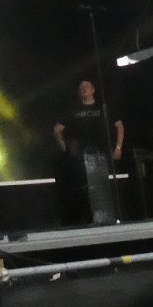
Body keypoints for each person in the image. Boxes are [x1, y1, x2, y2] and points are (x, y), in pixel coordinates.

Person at [52, 78, 122, 223]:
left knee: (104, 186)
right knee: (84, 187)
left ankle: (108, 217)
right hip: (81, 155)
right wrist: (63, 144)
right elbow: (57, 129)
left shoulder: (103, 107)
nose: (84, 89)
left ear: (93, 90)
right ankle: (87, 219)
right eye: (81, 87)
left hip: (102, 153)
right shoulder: (74, 109)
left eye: (87, 86)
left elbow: (120, 127)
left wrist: (118, 147)